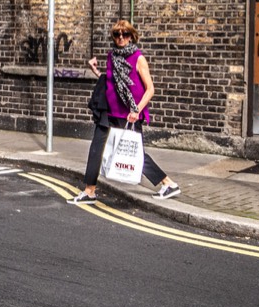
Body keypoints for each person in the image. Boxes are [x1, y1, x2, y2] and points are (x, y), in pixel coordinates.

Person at [69, 19, 181, 204]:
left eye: (125, 34)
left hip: (129, 114)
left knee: (135, 153)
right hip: (109, 111)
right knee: (96, 148)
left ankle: (168, 183)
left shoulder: (138, 58)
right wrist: (95, 71)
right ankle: (89, 191)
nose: (121, 38)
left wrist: (137, 110)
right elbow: (112, 81)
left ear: (131, 36)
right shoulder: (112, 56)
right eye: (117, 35)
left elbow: (150, 89)